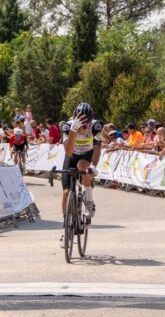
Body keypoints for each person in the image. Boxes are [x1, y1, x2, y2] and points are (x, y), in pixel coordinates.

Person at [61, 102, 101, 242]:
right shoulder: (67, 127)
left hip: (86, 155)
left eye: (86, 124)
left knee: (82, 166)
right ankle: (66, 226)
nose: (84, 128)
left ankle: (89, 201)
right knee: (66, 192)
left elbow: (97, 148)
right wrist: (73, 130)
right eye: (81, 124)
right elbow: (68, 151)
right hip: (71, 156)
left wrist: (94, 165)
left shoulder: (95, 126)